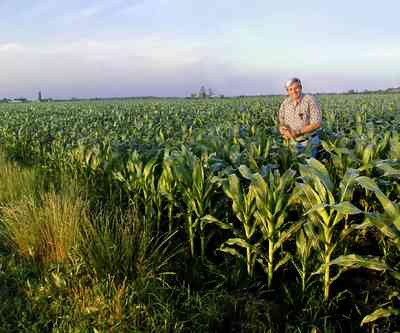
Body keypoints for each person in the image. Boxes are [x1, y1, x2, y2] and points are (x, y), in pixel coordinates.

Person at [277, 78, 322, 157]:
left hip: (308, 143)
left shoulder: (309, 100)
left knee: (308, 167)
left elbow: (316, 123)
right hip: (291, 143)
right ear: (288, 91)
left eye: (296, 88)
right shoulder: (285, 103)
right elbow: (281, 122)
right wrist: (283, 131)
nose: (293, 91)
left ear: (300, 87)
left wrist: (297, 132)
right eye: (290, 89)